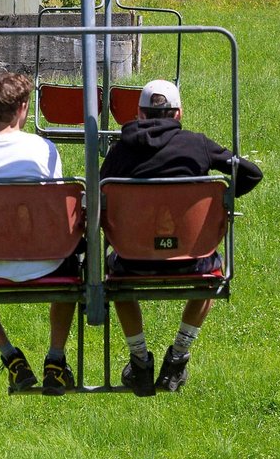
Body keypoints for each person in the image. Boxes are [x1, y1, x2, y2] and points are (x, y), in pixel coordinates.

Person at [100, 78, 263, 395]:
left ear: (139, 114)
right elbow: (251, 172)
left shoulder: (122, 149)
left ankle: (139, 358)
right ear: (178, 114)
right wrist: (223, 199)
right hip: (193, 260)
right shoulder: (196, 144)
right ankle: (179, 354)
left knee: (113, 273)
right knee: (212, 270)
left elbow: (100, 193)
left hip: (133, 261)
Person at [0, 71, 79, 394]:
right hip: (47, 260)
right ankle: (55, 357)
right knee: (75, 269)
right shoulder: (44, 150)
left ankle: (10, 355)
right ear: (23, 107)